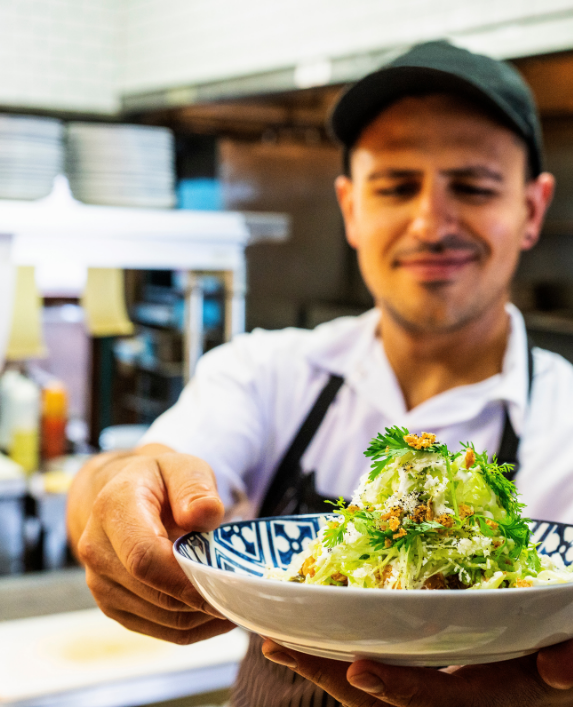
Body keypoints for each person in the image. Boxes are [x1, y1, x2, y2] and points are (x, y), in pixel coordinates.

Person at [67, 40, 573, 707]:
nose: (430, 221)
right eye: (395, 186)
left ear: (531, 209)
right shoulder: (267, 370)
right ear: (350, 207)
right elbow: (141, 469)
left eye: (473, 187)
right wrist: (115, 494)